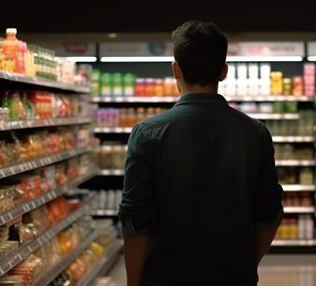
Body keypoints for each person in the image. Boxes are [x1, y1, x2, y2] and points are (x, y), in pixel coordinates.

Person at [118, 20, 283, 286]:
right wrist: (243, 265)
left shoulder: (147, 133)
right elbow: (270, 214)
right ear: (224, 72)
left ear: (175, 70)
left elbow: (135, 220)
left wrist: (134, 283)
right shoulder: (256, 133)